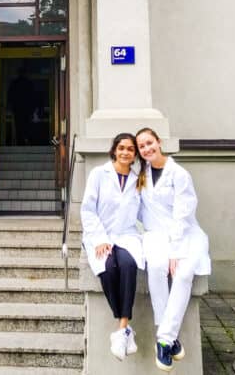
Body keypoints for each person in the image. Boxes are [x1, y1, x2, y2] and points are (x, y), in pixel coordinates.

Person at [135, 127, 211, 372]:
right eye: (142, 146)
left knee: (183, 273)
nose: (146, 149)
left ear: (159, 142)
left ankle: (164, 339)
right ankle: (170, 338)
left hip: (185, 235)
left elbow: (183, 213)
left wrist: (176, 251)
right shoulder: (142, 174)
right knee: (156, 267)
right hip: (155, 236)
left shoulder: (179, 174)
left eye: (149, 143)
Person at [81, 133, 144, 361]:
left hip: (126, 236)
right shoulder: (99, 174)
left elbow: (144, 213)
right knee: (108, 270)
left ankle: (122, 327)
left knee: (128, 265)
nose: (126, 152)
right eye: (121, 148)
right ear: (114, 150)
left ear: (135, 154)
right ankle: (125, 330)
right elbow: (88, 209)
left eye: (130, 149)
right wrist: (99, 239)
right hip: (101, 235)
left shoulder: (138, 179)